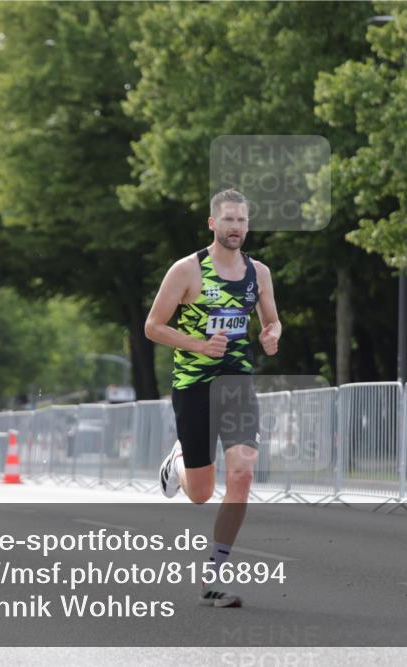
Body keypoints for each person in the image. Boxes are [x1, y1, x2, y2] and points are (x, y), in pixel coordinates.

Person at [145, 188, 281, 608]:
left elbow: (272, 320)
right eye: (228, 220)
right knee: (201, 493)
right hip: (194, 385)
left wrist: (272, 333)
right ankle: (180, 461)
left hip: (237, 382)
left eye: (242, 220)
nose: (236, 228)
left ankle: (214, 576)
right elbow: (152, 326)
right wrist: (198, 345)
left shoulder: (258, 273)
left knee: (242, 473)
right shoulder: (187, 270)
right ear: (213, 224)